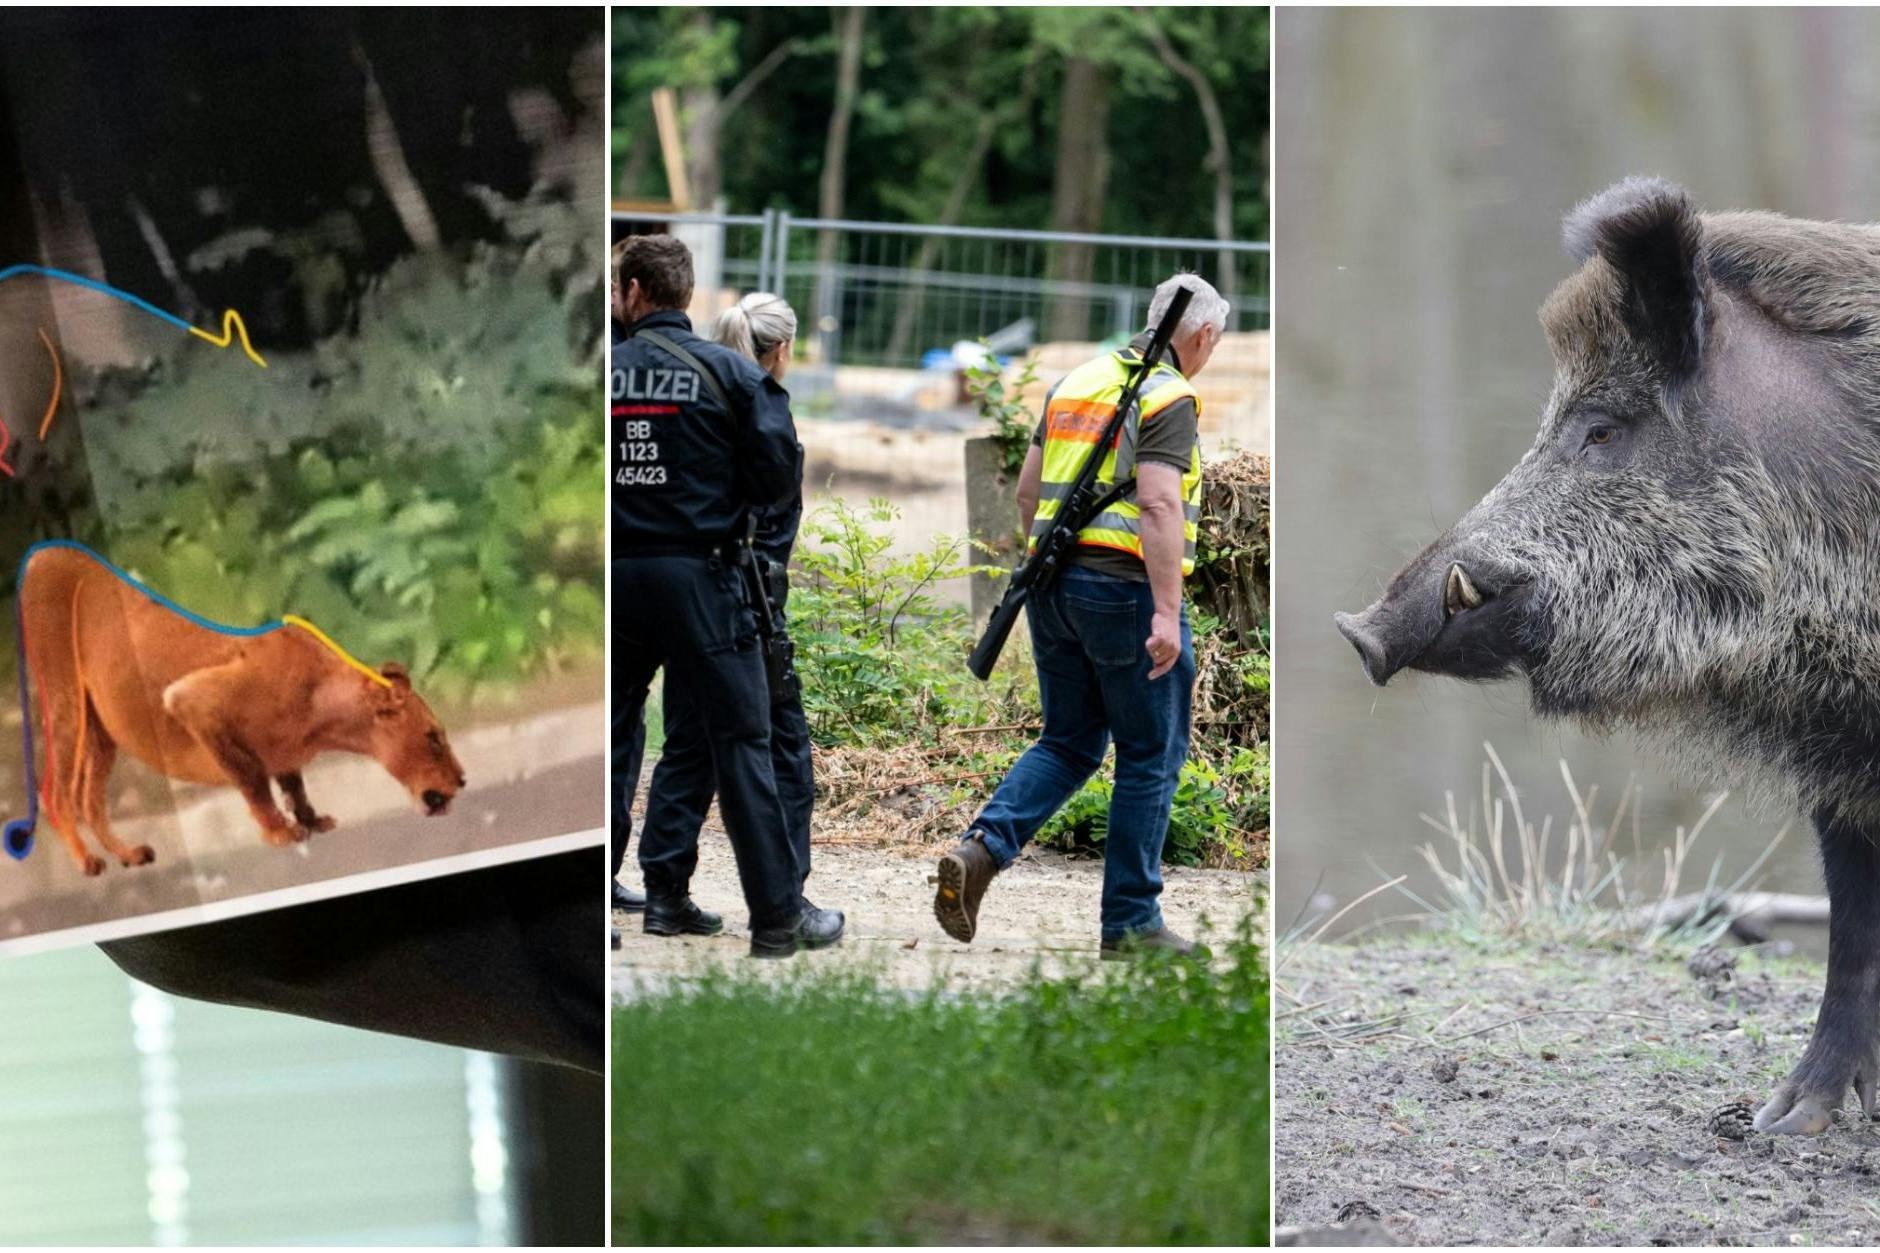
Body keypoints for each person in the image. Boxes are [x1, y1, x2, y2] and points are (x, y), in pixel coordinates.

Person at [932, 274, 1228, 959]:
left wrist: (1053, 571)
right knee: (1150, 755)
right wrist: (1165, 613)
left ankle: (980, 851)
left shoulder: (1075, 382)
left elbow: (1028, 491)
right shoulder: (1169, 396)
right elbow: (1159, 503)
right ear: (1205, 335)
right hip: (1125, 593)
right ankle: (1131, 923)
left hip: (1052, 587)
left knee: (1068, 741)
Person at [610, 236, 842, 958]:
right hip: (703, 582)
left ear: (635, 291)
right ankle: (776, 921)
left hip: (613, 578)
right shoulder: (731, 377)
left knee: (608, 738)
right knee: (743, 742)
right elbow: (775, 481)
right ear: (683, 291)